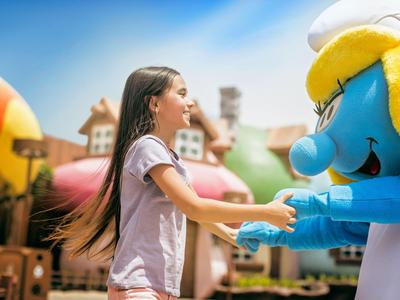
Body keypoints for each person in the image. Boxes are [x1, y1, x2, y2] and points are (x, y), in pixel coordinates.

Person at [49, 66, 296, 300]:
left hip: (160, 287)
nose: (191, 102)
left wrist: (234, 235)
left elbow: (197, 212)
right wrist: (265, 212)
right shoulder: (147, 146)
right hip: (138, 285)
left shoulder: (172, 158)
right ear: (154, 103)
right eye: (181, 94)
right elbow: (194, 207)